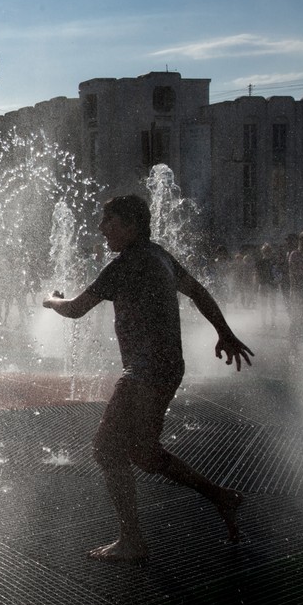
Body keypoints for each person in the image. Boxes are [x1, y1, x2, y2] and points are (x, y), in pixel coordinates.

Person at [42, 195, 253, 564]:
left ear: (130, 225)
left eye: (109, 221)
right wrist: (225, 332)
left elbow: (75, 309)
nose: (102, 229)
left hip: (144, 371)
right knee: (141, 450)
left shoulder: (125, 264)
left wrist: (50, 300)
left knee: (106, 449)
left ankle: (132, 540)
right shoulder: (159, 255)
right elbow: (198, 291)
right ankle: (220, 496)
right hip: (167, 367)